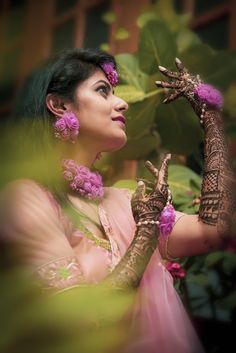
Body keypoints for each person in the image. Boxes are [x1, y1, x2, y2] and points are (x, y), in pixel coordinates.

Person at [0, 48, 235, 353]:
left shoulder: (125, 202)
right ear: (58, 105)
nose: (122, 102)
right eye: (103, 91)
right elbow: (83, 315)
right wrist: (147, 231)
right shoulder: (25, 197)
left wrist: (211, 120)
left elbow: (216, 231)